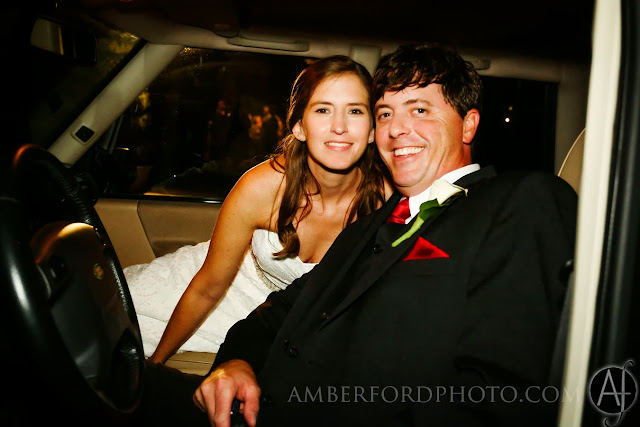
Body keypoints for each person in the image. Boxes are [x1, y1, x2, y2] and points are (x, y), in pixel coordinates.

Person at [193, 44, 578, 427]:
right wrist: (235, 363)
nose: (395, 129)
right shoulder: (367, 225)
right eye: (385, 114)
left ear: (468, 124)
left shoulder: (520, 201)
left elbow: (500, 393)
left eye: (419, 110)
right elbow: (278, 313)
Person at [126, 55, 390, 365]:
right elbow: (208, 287)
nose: (339, 127)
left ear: (372, 130)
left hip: (279, 323)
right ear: (299, 127)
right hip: (213, 291)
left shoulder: (388, 201)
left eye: (355, 111)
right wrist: (155, 367)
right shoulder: (262, 186)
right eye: (323, 110)